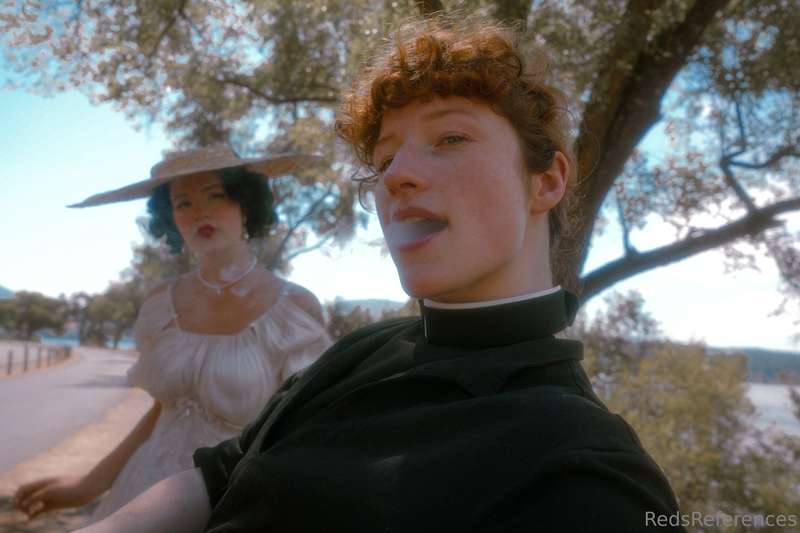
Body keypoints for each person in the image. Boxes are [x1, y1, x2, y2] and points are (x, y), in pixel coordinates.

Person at [74, 14, 686, 533]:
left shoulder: (586, 470)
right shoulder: (361, 351)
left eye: (450, 137)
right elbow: (218, 476)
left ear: (547, 180)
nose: (396, 176)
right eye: (384, 158)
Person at [13, 145, 331, 524]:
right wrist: (87, 486)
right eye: (183, 203)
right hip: (141, 492)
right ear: (171, 218)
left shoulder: (293, 310)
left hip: (234, 504)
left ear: (245, 204)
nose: (200, 213)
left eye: (215, 195)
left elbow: (305, 433)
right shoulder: (161, 305)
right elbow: (163, 414)